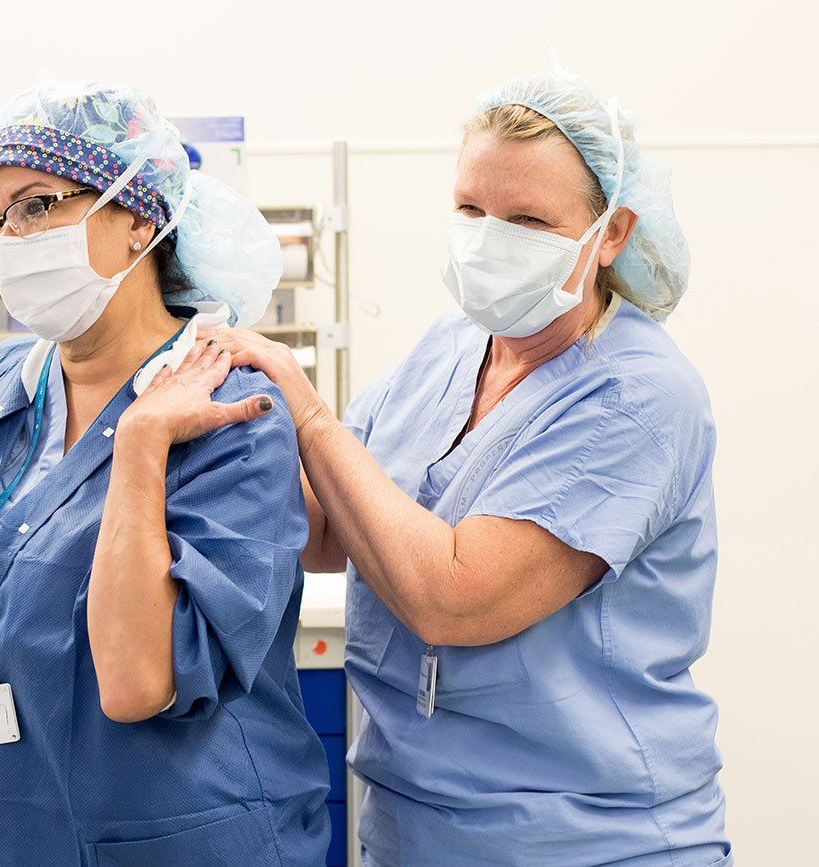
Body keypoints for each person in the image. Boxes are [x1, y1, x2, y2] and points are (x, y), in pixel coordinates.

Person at [202, 70, 731, 865]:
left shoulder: (637, 397)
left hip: (584, 841)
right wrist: (214, 424)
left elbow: (452, 598)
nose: (487, 239)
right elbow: (326, 529)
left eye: (527, 220)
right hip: (418, 830)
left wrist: (307, 413)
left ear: (612, 232)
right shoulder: (450, 349)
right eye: (470, 210)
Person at [0, 81, 331, 865]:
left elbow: (140, 680)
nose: (11, 238)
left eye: (37, 205)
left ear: (138, 219)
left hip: (169, 841)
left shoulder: (232, 413)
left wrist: (143, 444)